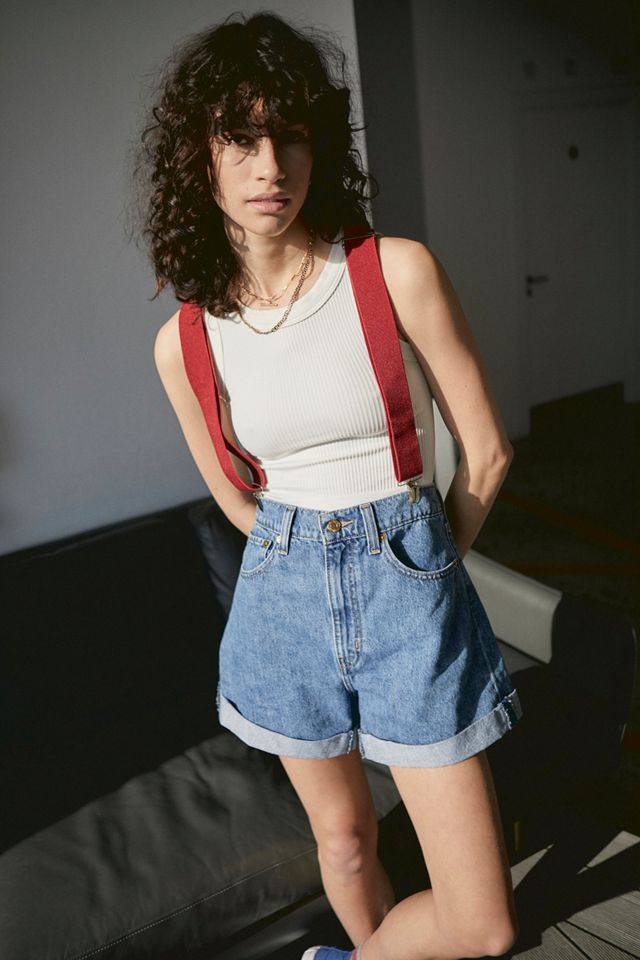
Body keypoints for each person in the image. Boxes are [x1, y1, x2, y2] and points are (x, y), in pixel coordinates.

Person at [135, 11, 523, 960]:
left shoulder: (394, 272)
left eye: (291, 135)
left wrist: (419, 568)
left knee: (483, 925)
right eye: (241, 138)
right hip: (281, 600)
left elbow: (485, 452)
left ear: (319, 146)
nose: (271, 166)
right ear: (199, 156)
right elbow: (237, 500)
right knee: (345, 844)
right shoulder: (184, 341)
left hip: (408, 581)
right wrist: (301, 560)